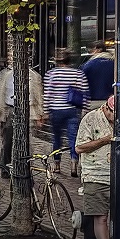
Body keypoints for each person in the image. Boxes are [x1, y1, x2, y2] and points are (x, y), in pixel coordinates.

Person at [73, 96, 120, 239]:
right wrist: (104, 140)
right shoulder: (90, 119)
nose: (118, 120)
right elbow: (79, 148)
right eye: (116, 115)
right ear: (107, 109)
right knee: (100, 217)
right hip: (95, 174)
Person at [41, 48, 88, 177]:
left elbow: (48, 94)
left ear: (57, 61)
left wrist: (45, 111)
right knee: (73, 137)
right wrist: (85, 109)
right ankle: (73, 163)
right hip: (73, 110)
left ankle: (57, 164)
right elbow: (84, 92)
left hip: (56, 110)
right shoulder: (78, 74)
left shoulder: (51, 74)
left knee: (56, 138)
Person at [0, 58, 44, 167]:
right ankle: (5, 167)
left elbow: (38, 96)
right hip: (10, 110)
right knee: (7, 142)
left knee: (27, 143)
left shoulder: (34, 76)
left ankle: (26, 169)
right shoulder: (5, 75)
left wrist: (40, 114)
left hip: (28, 110)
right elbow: (0, 94)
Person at [82, 41, 116, 106]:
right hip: (110, 101)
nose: (91, 52)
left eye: (92, 50)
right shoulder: (114, 64)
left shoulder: (88, 65)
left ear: (99, 50)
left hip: (92, 101)